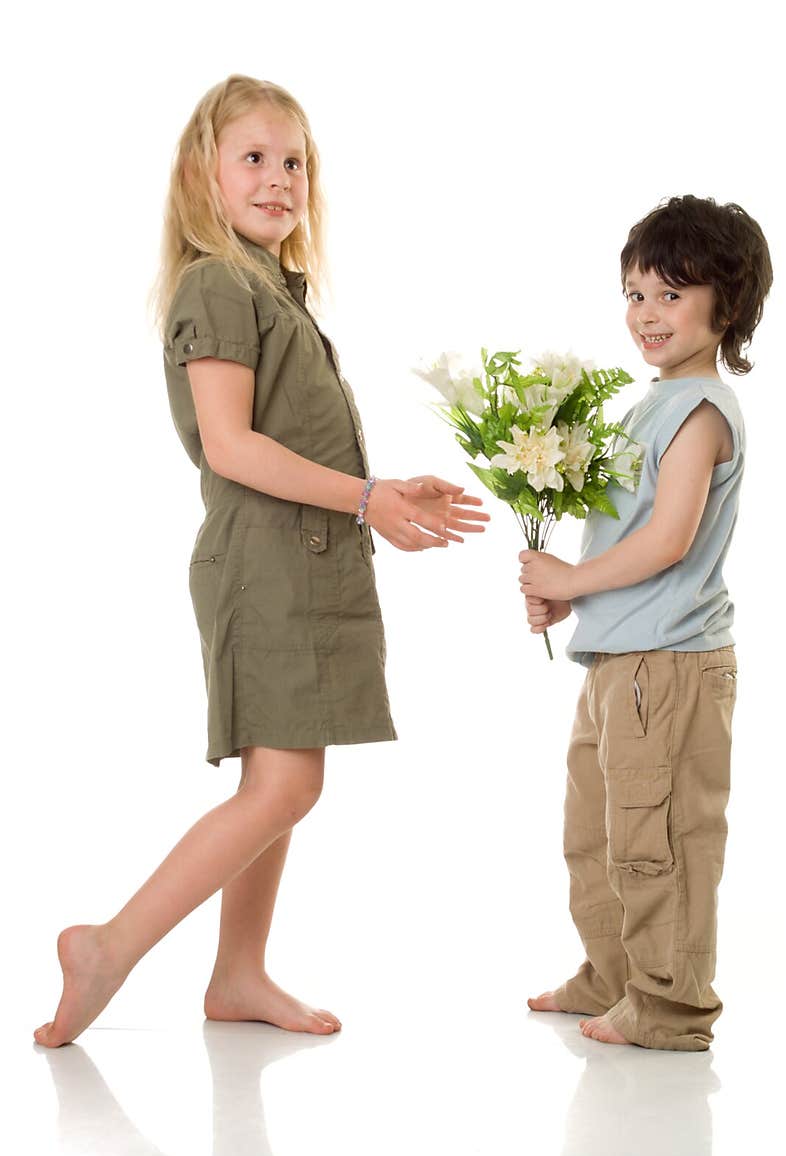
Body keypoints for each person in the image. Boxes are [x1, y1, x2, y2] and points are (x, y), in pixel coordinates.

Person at [34, 74, 488, 1049]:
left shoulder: (273, 287)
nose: (279, 177)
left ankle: (237, 973)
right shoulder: (215, 281)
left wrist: (387, 488)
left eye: (294, 162)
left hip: (307, 556)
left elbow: (291, 437)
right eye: (255, 157)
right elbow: (230, 444)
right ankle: (107, 946)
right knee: (283, 787)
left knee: (283, 782)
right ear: (206, 172)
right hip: (265, 561)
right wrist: (370, 498)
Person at [519, 195, 772, 1050]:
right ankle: (613, 972)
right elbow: (629, 536)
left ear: (724, 307)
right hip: (617, 663)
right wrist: (572, 596)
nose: (647, 314)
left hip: (667, 668)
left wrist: (575, 575)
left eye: (671, 293)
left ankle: (670, 1003)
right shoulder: (650, 404)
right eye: (634, 293)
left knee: (658, 839)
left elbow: (667, 541)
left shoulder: (701, 412)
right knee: (593, 832)